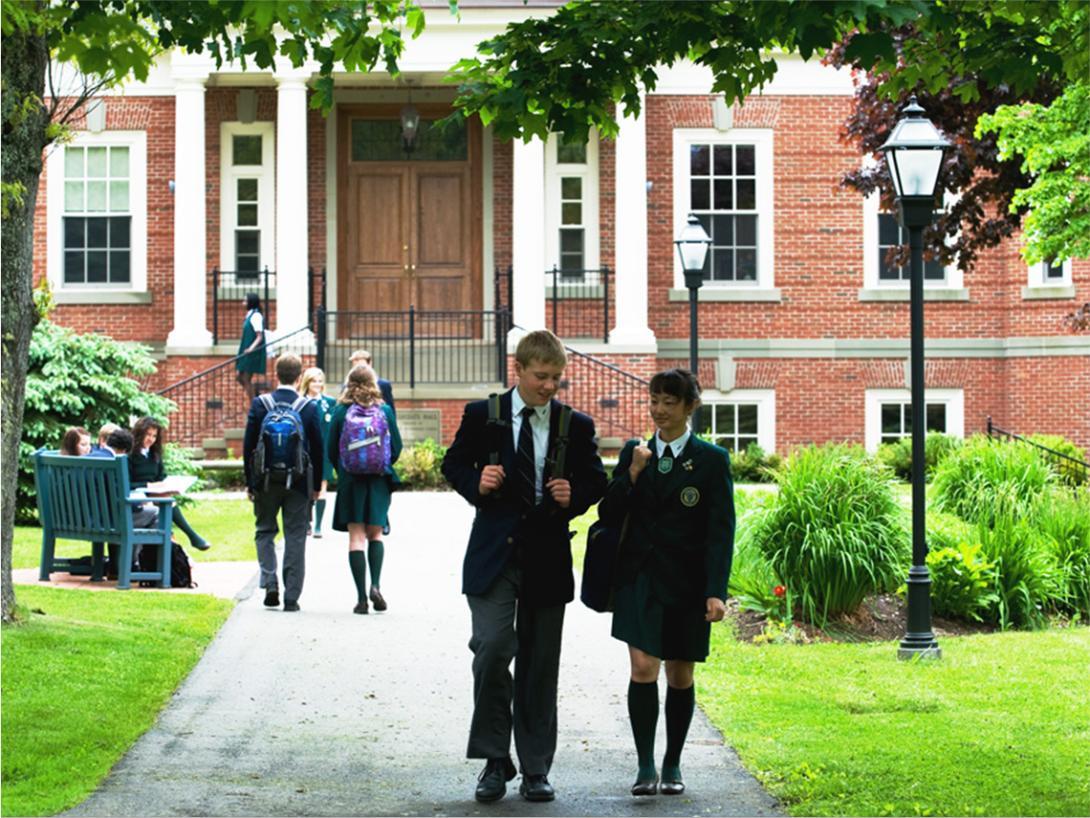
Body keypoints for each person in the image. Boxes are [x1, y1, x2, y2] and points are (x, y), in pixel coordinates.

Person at [441, 329, 607, 804]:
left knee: (539, 666)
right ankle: (496, 760)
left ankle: (535, 767)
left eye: (556, 378)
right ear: (518, 370)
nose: (549, 386)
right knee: (492, 649)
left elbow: (596, 481)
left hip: (546, 558)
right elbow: (452, 465)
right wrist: (479, 481)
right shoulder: (483, 416)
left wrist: (573, 496)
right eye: (541, 376)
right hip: (493, 557)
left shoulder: (573, 425)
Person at [597, 368, 735, 798]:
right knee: (643, 668)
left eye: (669, 402)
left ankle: (673, 761)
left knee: (679, 674)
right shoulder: (634, 454)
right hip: (639, 578)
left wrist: (716, 589)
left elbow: (720, 530)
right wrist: (633, 473)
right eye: (654, 400)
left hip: (689, 584)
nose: (659, 410)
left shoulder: (712, 461)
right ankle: (645, 764)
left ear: (690, 405)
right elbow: (608, 513)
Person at [242, 353, 324, 612]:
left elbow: (248, 447)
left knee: (265, 531)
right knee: (295, 536)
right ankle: (292, 597)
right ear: (300, 376)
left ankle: (269, 581)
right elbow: (318, 449)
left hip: (265, 481)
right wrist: (316, 486)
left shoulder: (260, 404)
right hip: (298, 482)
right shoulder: (308, 407)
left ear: (276, 374)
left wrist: (250, 482)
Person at [326, 363, 402, 614]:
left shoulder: (340, 411)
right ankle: (376, 585)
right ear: (373, 383)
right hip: (378, 479)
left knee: (356, 538)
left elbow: (330, 449)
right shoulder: (385, 410)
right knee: (376, 535)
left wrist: (345, 468)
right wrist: (381, 464)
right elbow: (397, 447)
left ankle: (361, 598)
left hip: (351, 480)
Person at [129, 416, 212, 552]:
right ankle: (191, 536)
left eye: (154, 436)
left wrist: (169, 485)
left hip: (155, 495)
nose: (151, 439)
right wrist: (149, 485)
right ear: (140, 434)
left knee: (166, 496)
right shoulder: (130, 455)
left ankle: (183, 543)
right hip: (137, 495)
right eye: (148, 435)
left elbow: (161, 477)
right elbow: (128, 483)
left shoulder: (154, 455)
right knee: (163, 500)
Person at [300, 367, 337, 538]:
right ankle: (307, 521)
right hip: (305, 451)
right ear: (307, 382)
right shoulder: (300, 402)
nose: (318, 384)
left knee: (322, 489)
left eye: (320, 381)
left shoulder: (329, 402)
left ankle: (318, 527)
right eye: (314, 381)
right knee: (307, 489)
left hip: (324, 452)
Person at [236, 292, 266, 401]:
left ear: (251, 302)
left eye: (245, 301)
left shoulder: (256, 316)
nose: (243, 303)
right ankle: (257, 398)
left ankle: (254, 403)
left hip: (252, 352)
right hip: (246, 350)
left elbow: (259, 336)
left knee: (245, 378)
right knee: (239, 376)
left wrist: (251, 348)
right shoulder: (250, 314)